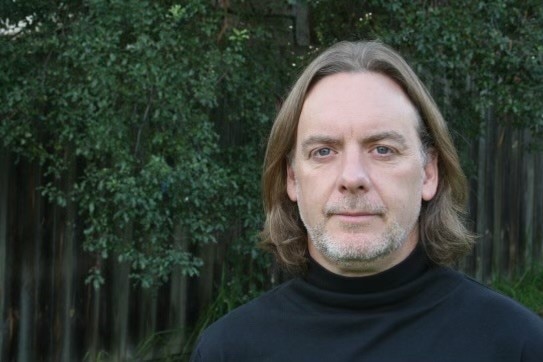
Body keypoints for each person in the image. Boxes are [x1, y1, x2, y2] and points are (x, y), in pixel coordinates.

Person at [189, 40, 543, 361]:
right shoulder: (228, 351)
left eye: (383, 149)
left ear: (429, 172)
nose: (352, 178)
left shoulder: (517, 345)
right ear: (292, 178)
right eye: (324, 151)